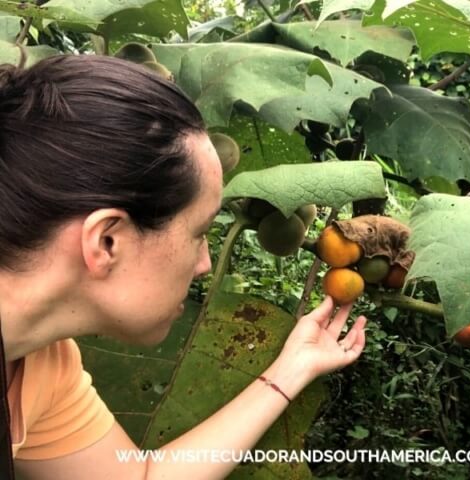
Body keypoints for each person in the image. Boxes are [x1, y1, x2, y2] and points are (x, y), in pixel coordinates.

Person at [0, 53, 368, 479]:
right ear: (107, 241)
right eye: (198, 233)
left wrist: (293, 368)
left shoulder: (43, 364)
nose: (205, 263)